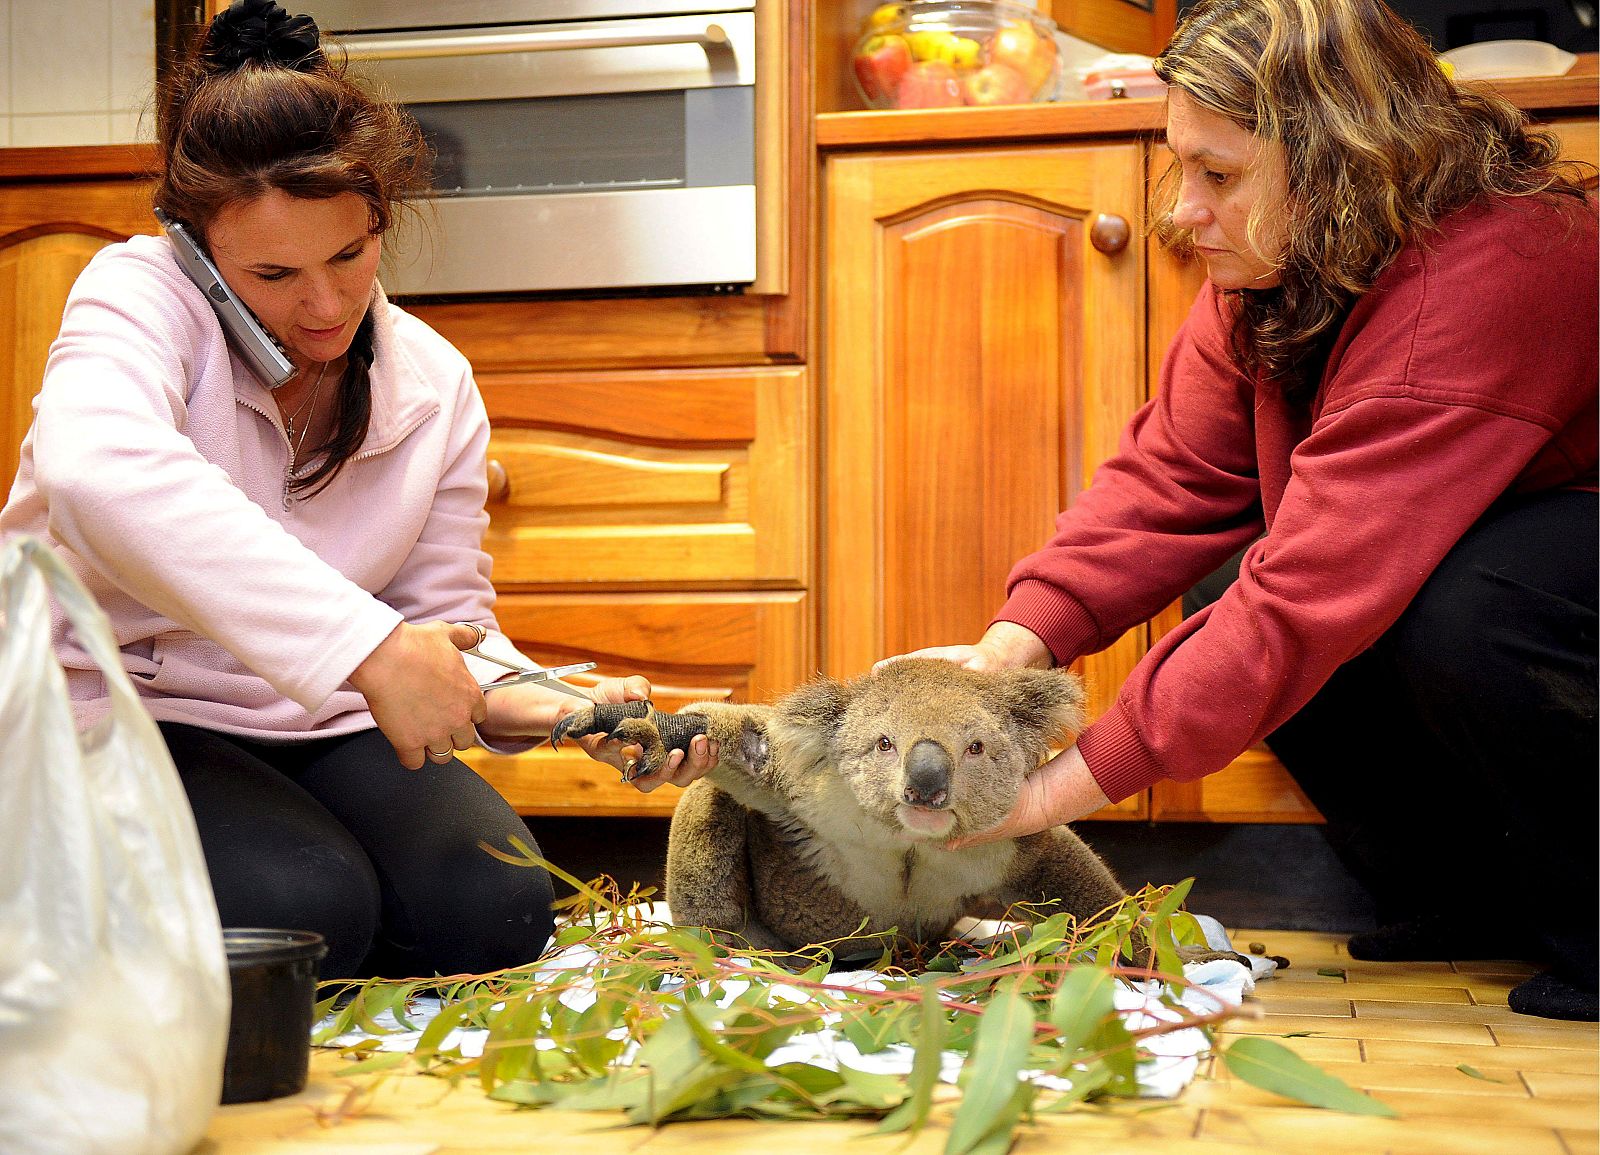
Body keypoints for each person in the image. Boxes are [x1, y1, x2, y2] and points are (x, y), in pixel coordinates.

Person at [889, 0, 1597, 1020]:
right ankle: (1475, 903)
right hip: (1498, 560)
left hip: (1562, 574)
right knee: (1232, 585)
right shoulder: (1280, 266)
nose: (1182, 212)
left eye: (1218, 175)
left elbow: (1310, 593)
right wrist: (1004, 659)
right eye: (1185, 168)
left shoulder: (1501, 266)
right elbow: (1170, 479)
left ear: (1342, 164)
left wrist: (1049, 796)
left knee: (1468, 601)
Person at [0, 0, 714, 981]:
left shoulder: (433, 379)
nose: (326, 305)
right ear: (195, 250)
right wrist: (368, 646)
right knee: (303, 909)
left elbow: (444, 631)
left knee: (497, 905)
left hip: (315, 718)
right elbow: (93, 467)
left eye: (350, 253)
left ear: (382, 211)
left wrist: (565, 709)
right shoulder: (135, 296)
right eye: (274, 273)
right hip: (124, 702)